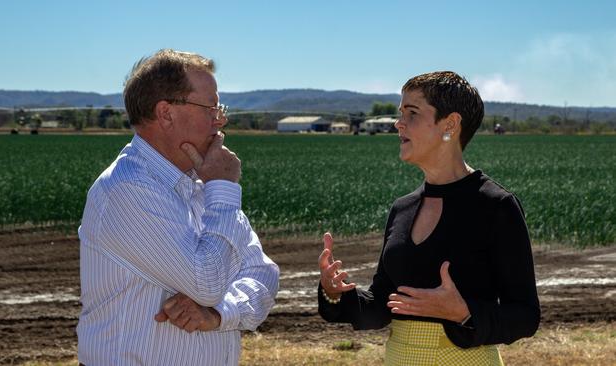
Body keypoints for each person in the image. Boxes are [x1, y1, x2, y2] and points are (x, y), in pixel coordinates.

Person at [317, 71, 539, 365]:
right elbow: (383, 305)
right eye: (401, 113)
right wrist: (336, 293)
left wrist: (464, 312)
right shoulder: (402, 208)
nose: (399, 123)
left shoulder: (496, 206)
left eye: (412, 113)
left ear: (450, 124)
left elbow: (525, 316)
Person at [77, 49, 279, 365]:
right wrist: (223, 188)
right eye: (211, 107)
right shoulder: (127, 189)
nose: (220, 120)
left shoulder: (201, 183)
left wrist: (219, 314)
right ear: (166, 113)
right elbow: (207, 283)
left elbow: (263, 274)